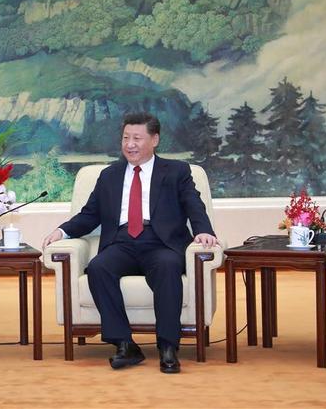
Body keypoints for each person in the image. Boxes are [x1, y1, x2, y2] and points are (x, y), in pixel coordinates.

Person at [42, 112, 218, 374]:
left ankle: (168, 347)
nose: (130, 144)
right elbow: (90, 214)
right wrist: (62, 231)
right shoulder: (109, 175)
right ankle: (124, 344)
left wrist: (204, 231)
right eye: (126, 138)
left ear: (155, 139)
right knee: (99, 268)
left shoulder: (177, 171)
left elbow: (194, 205)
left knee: (168, 267)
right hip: (122, 242)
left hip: (161, 243)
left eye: (137, 138)